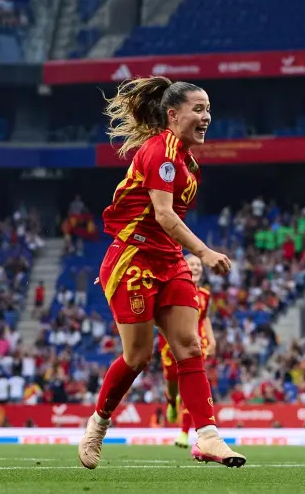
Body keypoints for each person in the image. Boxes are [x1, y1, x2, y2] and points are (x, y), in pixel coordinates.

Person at [77, 76, 246, 469]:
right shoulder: (162, 152)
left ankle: (207, 437)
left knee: (190, 345)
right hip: (133, 258)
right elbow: (165, 215)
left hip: (168, 260)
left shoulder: (188, 161)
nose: (207, 116)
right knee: (138, 356)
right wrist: (203, 252)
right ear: (173, 114)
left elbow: (170, 222)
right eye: (198, 109)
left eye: (209, 109)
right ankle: (97, 427)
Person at [163, 254, 216, 448]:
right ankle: (171, 402)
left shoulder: (205, 295)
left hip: (196, 342)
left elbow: (205, 318)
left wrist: (212, 340)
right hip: (169, 342)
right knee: (172, 383)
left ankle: (184, 432)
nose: (195, 267)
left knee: (190, 382)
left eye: (198, 264)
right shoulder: (172, 288)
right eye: (191, 264)